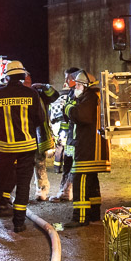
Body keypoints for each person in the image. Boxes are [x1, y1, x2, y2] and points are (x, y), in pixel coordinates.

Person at [0, 60, 52, 234]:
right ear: (22, 76)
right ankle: (19, 224)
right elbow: (40, 118)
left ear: (7, 77)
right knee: (23, 185)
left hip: (6, 148)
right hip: (27, 147)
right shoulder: (32, 94)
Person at [65, 69, 110, 225]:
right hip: (89, 148)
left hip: (88, 149)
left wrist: (68, 107)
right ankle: (93, 214)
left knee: (81, 180)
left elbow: (82, 116)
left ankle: (80, 218)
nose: (75, 87)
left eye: (78, 85)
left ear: (86, 86)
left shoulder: (90, 98)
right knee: (91, 182)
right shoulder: (89, 97)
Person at [25, 70, 60, 201]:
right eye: (25, 81)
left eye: (29, 81)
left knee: (39, 163)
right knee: (24, 166)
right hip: (24, 135)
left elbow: (54, 95)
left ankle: (42, 190)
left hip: (38, 135)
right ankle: (23, 192)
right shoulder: (18, 94)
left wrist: (43, 86)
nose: (27, 84)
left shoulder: (38, 93)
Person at [49, 66, 82, 202]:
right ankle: (65, 191)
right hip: (70, 136)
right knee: (68, 163)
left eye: (67, 78)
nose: (66, 81)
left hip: (75, 136)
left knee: (72, 165)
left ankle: (66, 192)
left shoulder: (78, 94)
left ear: (74, 78)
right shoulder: (72, 93)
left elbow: (73, 113)